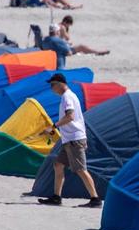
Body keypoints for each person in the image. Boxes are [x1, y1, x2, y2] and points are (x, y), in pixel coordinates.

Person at [38, 73, 101, 208]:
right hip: (69, 139)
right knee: (58, 164)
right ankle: (56, 197)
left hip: (74, 139)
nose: (51, 88)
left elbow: (70, 116)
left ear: (60, 84)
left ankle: (95, 199)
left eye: (52, 85)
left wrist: (53, 127)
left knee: (81, 169)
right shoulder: (68, 96)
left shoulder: (67, 97)